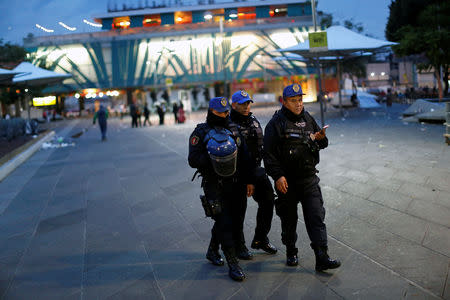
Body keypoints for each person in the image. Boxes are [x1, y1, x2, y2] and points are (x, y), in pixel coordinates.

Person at [263, 84, 341, 271]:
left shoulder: (308, 118)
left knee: (316, 216)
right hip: (287, 182)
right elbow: (269, 154)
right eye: (294, 101)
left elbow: (322, 144)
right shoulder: (276, 124)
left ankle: (321, 256)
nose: (298, 104)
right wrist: (278, 176)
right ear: (285, 101)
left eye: (300, 100)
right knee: (288, 220)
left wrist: (321, 137)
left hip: (308, 179)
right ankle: (291, 250)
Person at [188, 96, 255, 281]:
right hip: (214, 184)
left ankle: (212, 250)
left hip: (237, 183)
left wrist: (250, 180)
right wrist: (214, 158)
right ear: (211, 112)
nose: (224, 116)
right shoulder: (200, 132)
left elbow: (245, 156)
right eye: (220, 113)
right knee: (224, 222)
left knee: (236, 219)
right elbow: (192, 159)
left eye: (226, 112)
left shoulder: (233, 129)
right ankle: (232, 262)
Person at [229, 90, 277, 256]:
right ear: (233, 105)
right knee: (238, 211)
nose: (246, 106)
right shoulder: (227, 124)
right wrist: (248, 179)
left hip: (256, 170)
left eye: (248, 103)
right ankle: (238, 246)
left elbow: (260, 147)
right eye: (242, 104)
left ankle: (260, 239)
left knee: (269, 200)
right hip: (237, 174)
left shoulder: (253, 120)